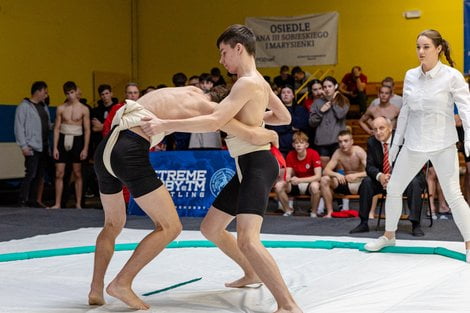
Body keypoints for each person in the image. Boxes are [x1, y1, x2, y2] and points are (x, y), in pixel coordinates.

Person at [140, 24, 302, 313]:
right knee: (211, 227)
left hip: (257, 165)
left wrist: (166, 124)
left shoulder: (246, 83)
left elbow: (214, 122)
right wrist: (252, 121)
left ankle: (288, 305)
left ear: (239, 48)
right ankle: (251, 273)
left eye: (224, 52)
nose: (221, 60)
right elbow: (283, 115)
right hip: (246, 164)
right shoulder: (259, 82)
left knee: (249, 240)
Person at [88, 85, 278, 310]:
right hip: (129, 151)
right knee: (169, 227)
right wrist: (271, 134)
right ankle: (122, 283)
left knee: (112, 224)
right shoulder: (208, 107)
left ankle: (95, 289)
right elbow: (248, 132)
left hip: (106, 148)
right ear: (224, 103)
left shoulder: (187, 90)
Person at [364, 30, 470, 263]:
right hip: (414, 143)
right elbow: (405, 113)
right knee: (393, 189)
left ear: (438, 48)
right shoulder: (411, 75)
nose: (421, 52)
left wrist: (469, 136)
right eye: (418, 47)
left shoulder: (452, 76)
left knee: (454, 196)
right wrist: (395, 144)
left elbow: (466, 108)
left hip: (443, 143)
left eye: (426, 47)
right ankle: (389, 236)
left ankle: (469, 244)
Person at [350, 117, 425, 235]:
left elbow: (412, 163)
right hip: (384, 180)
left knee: (414, 183)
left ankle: (415, 224)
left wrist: (394, 177)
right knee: (366, 182)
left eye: (381, 128)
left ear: (390, 128)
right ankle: (363, 223)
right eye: (375, 129)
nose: (378, 132)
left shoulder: (403, 139)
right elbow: (369, 167)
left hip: (406, 177)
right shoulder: (372, 142)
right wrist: (380, 176)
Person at [50, 81, 90, 209]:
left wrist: (85, 148)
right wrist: (55, 147)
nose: (70, 96)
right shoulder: (61, 108)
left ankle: (78, 203)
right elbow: (56, 128)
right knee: (59, 173)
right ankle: (57, 203)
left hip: (77, 140)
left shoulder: (84, 109)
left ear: (76, 92)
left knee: (77, 173)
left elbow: (87, 130)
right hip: (63, 138)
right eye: (67, 93)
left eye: (72, 93)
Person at [14, 81, 51, 207]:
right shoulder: (24, 107)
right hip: (31, 146)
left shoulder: (44, 107)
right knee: (31, 173)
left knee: (40, 175)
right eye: (44, 92)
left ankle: (33, 200)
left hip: (44, 146)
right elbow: (19, 127)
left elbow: (46, 125)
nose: (46, 95)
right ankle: (23, 199)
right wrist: (23, 145)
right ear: (38, 91)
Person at [319, 130, 367, 218]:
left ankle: (368, 213)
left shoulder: (359, 151)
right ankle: (330, 212)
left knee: (371, 180)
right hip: (345, 182)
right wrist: (337, 175)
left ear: (352, 141)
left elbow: (370, 171)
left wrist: (356, 175)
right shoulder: (338, 153)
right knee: (324, 179)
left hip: (360, 183)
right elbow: (325, 171)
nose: (343, 144)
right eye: (340, 142)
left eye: (346, 141)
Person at [273, 131, 322, 217]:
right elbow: (288, 174)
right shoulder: (290, 155)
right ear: (293, 145)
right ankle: (288, 210)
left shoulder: (313, 153)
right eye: (296, 143)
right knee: (279, 186)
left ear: (306, 145)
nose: (298, 145)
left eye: (301, 143)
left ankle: (313, 212)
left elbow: (318, 177)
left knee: (315, 186)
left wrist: (300, 180)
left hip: (309, 183)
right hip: (295, 183)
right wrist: (288, 178)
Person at [309, 76, 350, 168]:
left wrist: (333, 101)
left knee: (340, 171)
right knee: (326, 172)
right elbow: (312, 123)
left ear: (335, 86)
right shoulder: (317, 103)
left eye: (330, 86)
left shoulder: (344, 100)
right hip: (322, 142)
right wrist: (321, 111)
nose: (327, 89)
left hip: (338, 141)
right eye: (325, 87)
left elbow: (340, 115)